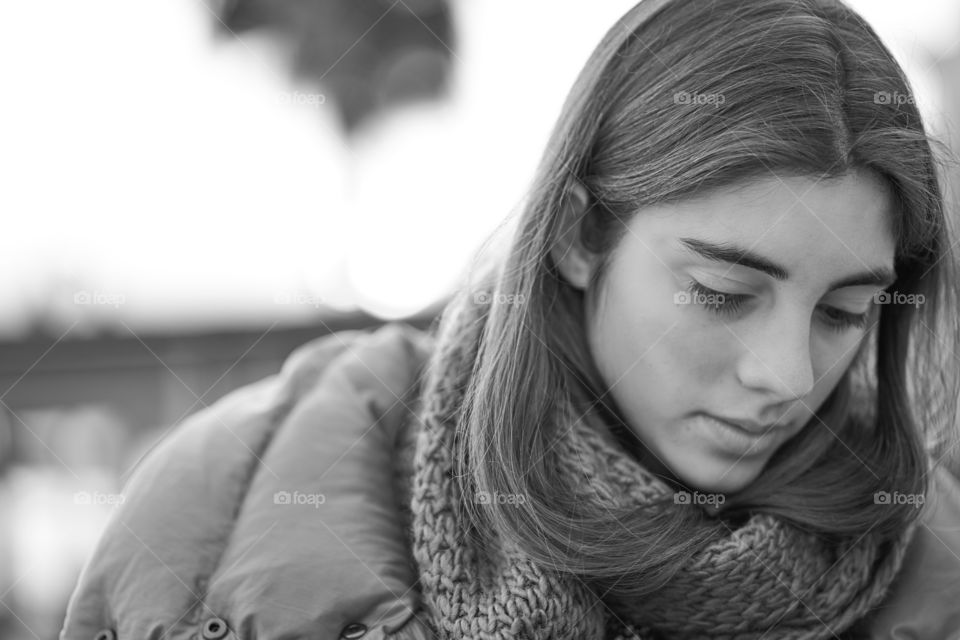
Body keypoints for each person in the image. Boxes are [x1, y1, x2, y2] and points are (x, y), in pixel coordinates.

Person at [61, 0, 960, 638]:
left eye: (845, 311)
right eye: (723, 294)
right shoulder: (220, 501)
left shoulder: (937, 559)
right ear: (578, 235)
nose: (786, 377)